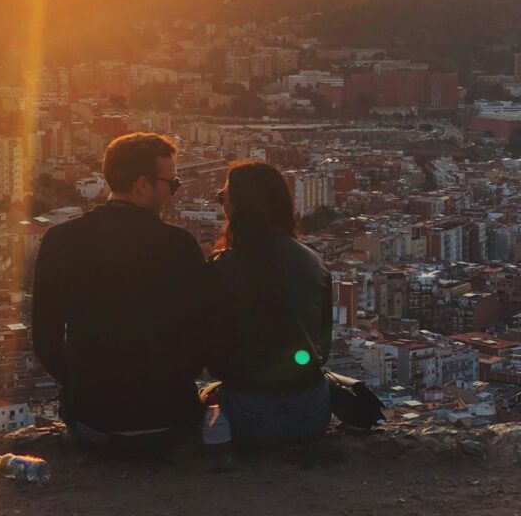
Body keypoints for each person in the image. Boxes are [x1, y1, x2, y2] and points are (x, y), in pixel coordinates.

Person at [31, 132, 208, 453]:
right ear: (143, 185)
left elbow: (45, 336)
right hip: (169, 420)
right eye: (173, 183)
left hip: (92, 423)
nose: (173, 191)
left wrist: (82, 385)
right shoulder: (180, 246)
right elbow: (202, 333)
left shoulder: (60, 240)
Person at [206, 160, 333, 447]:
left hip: (245, 415)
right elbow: (322, 348)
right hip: (312, 413)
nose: (220, 204)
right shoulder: (313, 261)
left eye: (222, 198)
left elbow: (211, 353)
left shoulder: (220, 269)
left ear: (237, 206)